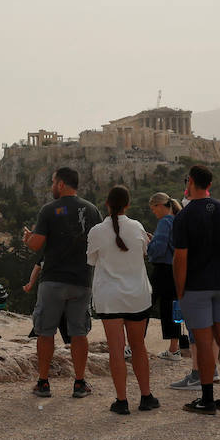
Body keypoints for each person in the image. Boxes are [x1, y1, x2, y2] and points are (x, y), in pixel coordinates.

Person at [22, 166, 101, 399]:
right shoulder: (91, 209)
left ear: (61, 184)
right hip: (82, 280)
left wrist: (28, 239)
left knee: (45, 332)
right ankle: (79, 383)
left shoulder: (49, 210)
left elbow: (37, 245)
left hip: (53, 280)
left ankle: (43, 383)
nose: (51, 186)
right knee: (79, 333)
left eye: (53, 182)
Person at [172, 164, 220, 414]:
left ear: (190, 182)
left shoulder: (185, 216)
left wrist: (180, 291)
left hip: (197, 285)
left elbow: (180, 258)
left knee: (203, 343)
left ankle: (207, 399)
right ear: (209, 184)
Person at [86, 186, 159, 414]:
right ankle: (146, 396)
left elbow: (91, 260)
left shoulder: (97, 231)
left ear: (107, 204)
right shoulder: (137, 226)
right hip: (137, 296)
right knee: (139, 346)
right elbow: (144, 252)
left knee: (116, 350)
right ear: (128, 204)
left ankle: (122, 400)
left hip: (109, 298)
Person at [146, 192, 187, 360]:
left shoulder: (164, 222)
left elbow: (159, 249)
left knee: (145, 305)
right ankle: (174, 348)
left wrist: (150, 245)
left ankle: (133, 346)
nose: (153, 212)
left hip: (162, 269)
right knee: (173, 308)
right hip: (176, 269)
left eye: (153, 208)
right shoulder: (178, 220)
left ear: (160, 205)